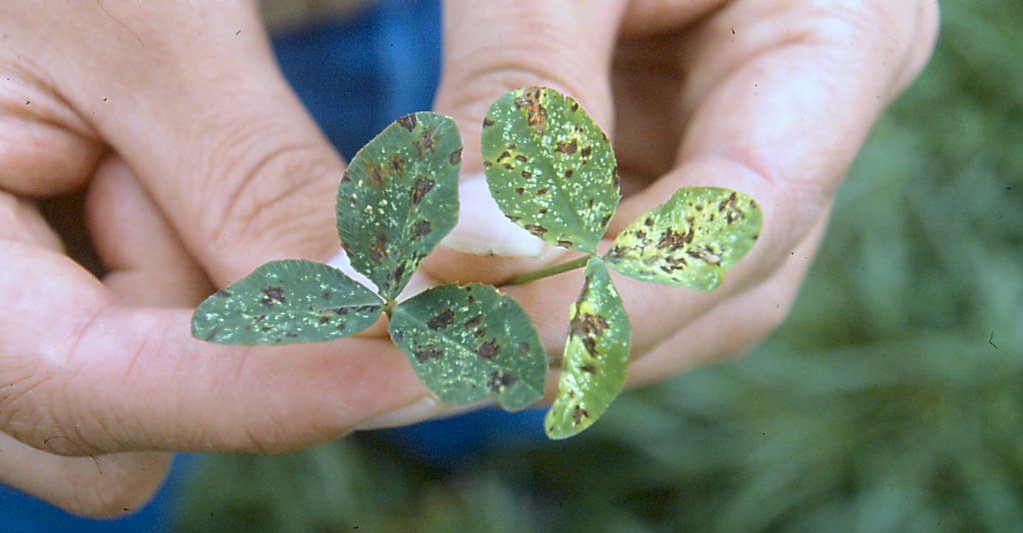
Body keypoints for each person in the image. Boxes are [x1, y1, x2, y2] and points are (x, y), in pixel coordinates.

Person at [0, 0, 938, 517]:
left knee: (505, 341)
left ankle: (455, 448)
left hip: (476, 19)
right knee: (107, 426)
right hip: (75, 60)